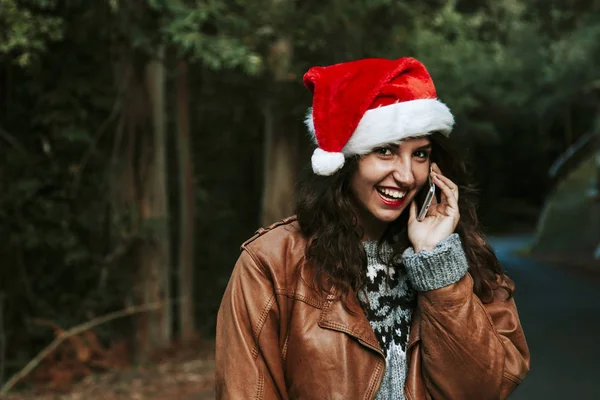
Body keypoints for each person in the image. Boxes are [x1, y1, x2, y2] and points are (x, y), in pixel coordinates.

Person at [215, 57, 530, 399]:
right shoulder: (272, 263)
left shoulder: (459, 255)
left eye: (420, 154)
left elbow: (480, 391)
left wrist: (438, 268)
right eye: (385, 151)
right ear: (348, 161)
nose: (407, 175)